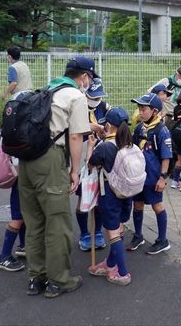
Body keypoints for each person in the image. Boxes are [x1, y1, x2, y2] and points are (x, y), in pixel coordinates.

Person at [18, 56, 94, 298]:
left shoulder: (47, 89)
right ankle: (59, 281)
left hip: (27, 160)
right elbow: (74, 137)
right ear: (84, 77)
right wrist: (74, 170)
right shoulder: (76, 96)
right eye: (89, 78)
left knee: (34, 222)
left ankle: (35, 278)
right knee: (58, 222)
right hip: (51, 161)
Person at [86, 107, 135, 285]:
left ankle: (122, 273)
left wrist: (91, 147)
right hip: (126, 193)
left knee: (112, 232)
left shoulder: (105, 146)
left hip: (110, 194)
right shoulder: (130, 143)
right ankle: (111, 263)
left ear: (108, 124)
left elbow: (90, 166)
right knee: (119, 228)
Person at [128, 93, 172, 254]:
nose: (140, 112)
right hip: (139, 175)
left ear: (154, 111)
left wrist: (163, 178)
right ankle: (138, 235)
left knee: (157, 205)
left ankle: (162, 240)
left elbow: (166, 156)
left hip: (153, 177)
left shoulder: (162, 130)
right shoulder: (140, 127)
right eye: (139, 108)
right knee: (137, 204)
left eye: (143, 109)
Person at [76, 77, 109, 252]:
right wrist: (93, 127)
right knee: (83, 199)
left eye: (98, 97)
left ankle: (97, 232)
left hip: (100, 160)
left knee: (99, 199)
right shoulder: (77, 106)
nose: (96, 100)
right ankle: (84, 233)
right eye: (92, 97)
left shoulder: (104, 107)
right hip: (81, 159)